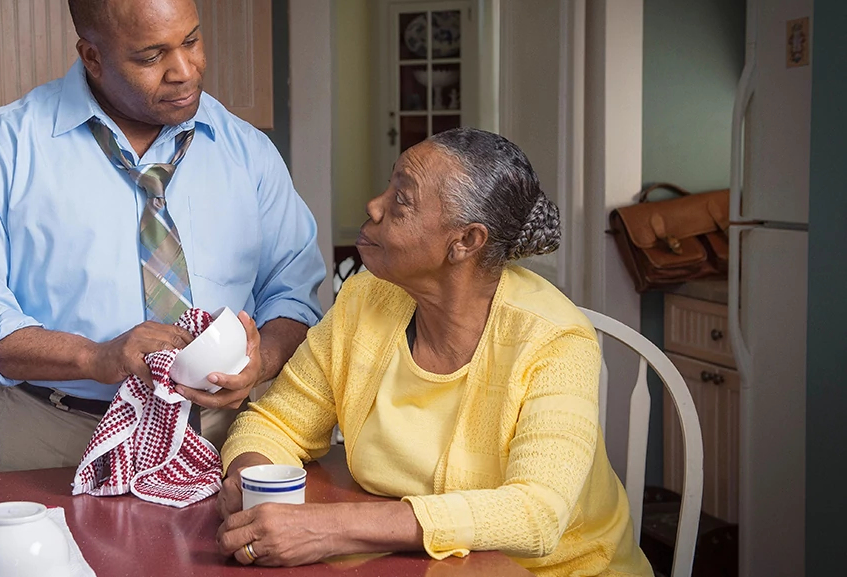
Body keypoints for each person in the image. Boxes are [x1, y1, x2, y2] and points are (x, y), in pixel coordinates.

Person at [0, 0, 325, 473]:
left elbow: (293, 291)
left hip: (225, 433)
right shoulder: (0, 149)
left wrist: (263, 360)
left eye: (192, 41)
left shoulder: (247, 151)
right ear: (92, 56)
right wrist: (95, 357)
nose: (184, 70)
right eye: (152, 56)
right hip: (53, 435)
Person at [215, 129, 654, 576]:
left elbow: (536, 515)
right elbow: (275, 422)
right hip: (413, 564)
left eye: (401, 199)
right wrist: (252, 482)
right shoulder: (366, 298)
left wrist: (331, 527)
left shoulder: (554, 340)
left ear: (465, 241)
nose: (374, 205)